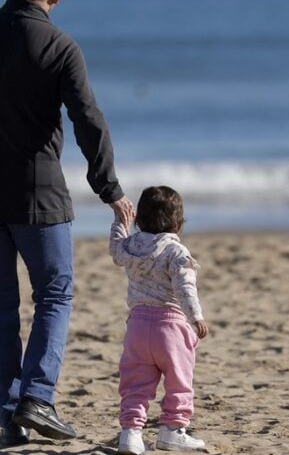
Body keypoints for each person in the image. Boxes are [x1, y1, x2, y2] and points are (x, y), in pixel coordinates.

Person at [0, 0, 134, 447]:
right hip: (39, 195)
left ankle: (9, 412)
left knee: (2, 307)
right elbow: (89, 124)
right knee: (54, 295)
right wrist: (111, 190)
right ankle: (37, 397)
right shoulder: (59, 47)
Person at [109, 186, 208, 454]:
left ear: (139, 220)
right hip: (171, 325)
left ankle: (130, 433)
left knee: (135, 381)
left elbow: (116, 248)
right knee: (179, 380)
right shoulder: (177, 252)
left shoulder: (131, 245)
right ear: (178, 223)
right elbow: (185, 286)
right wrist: (196, 316)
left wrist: (120, 223)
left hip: (138, 326)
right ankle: (173, 430)